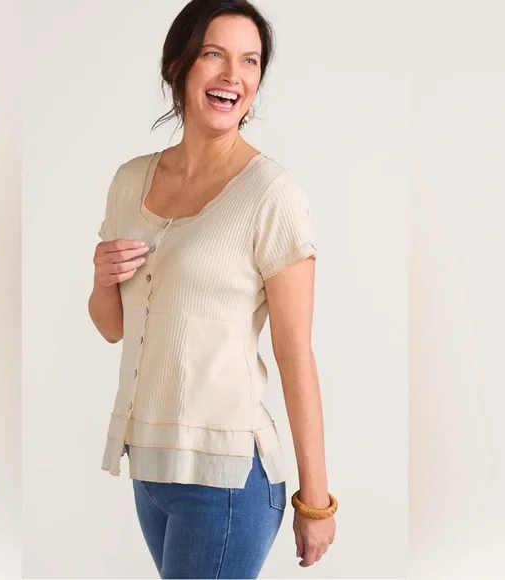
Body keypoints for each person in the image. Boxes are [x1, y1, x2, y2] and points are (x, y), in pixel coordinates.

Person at [88, 0, 337, 577]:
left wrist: (317, 500)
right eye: (213, 54)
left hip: (227, 479)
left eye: (249, 61)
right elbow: (112, 325)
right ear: (178, 66)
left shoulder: (272, 195)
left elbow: (295, 352)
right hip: (150, 470)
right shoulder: (130, 181)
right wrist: (102, 279)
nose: (233, 75)